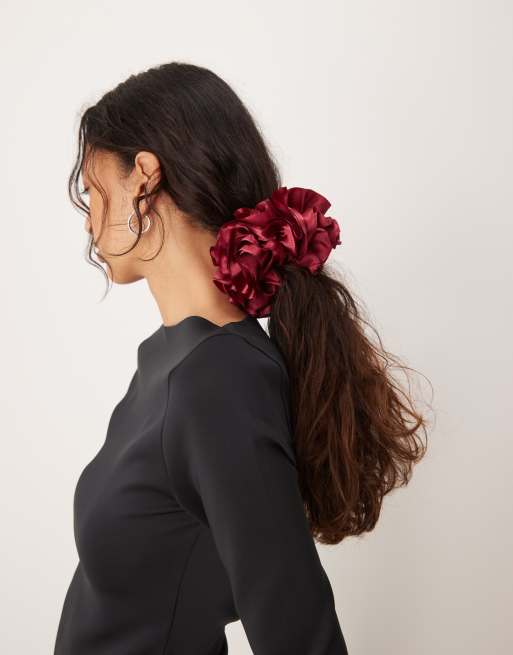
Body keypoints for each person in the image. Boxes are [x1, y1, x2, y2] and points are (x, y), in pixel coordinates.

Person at [54, 62, 428, 655]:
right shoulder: (170, 361)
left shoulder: (218, 377)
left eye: (94, 192)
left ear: (144, 176)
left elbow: (299, 634)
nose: (90, 220)